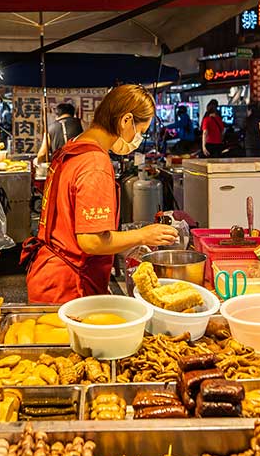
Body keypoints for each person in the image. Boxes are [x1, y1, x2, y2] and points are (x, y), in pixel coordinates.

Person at [24, 83, 179, 303]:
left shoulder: (72, 146)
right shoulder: (94, 162)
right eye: (141, 132)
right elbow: (92, 241)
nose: (138, 140)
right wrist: (145, 234)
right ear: (126, 121)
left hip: (49, 272)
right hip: (68, 283)